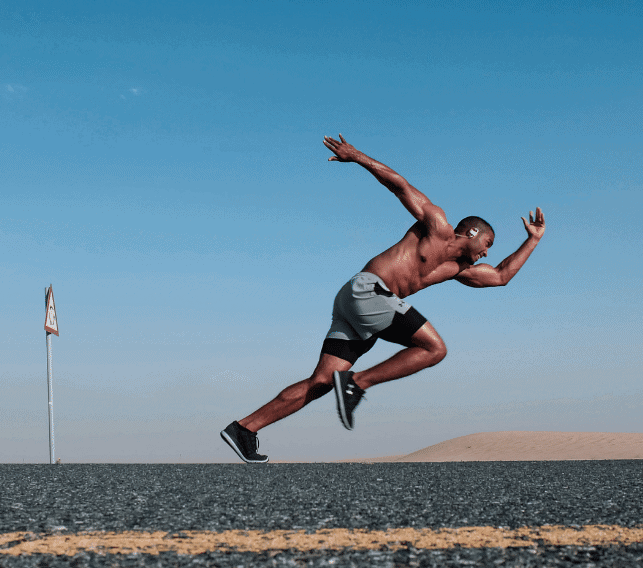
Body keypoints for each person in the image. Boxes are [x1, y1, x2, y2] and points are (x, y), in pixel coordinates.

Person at [220, 135, 545, 463]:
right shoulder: (436, 225)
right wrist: (356, 156)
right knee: (435, 349)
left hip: (359, 307)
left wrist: (532, 241)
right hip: (368, 291)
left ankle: (245, 429)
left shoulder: (458, 269)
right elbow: (399, 185)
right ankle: (357, 384)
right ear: (472, 234)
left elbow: (501, 276)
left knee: (321, 382)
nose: (488, 252)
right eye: (487, 243)